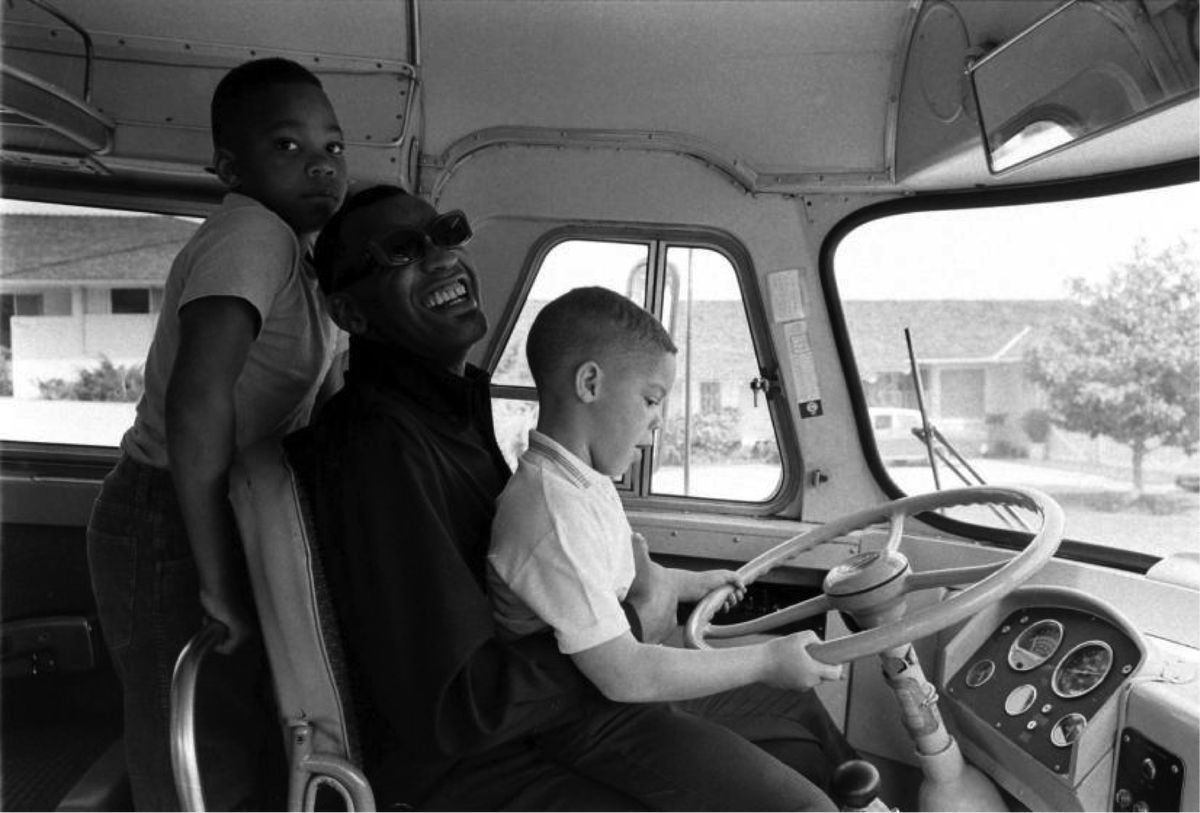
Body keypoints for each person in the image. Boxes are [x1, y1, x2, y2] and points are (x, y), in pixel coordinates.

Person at [296, 184, 857, 811]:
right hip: (486, 757)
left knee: (796, 707)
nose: (442, 257)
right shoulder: (377, 446)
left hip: (557, 705)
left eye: (447, 234)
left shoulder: (454, 412)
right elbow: (460, 707)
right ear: (350, 315)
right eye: (402, 251)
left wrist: (663, 590)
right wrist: (639, 619)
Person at [85, 57, 348, 811]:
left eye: (331, 146)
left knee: (224, 733)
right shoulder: (251, 236)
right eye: (287, 147)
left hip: (207, 506)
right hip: (166, 512)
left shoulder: (298, 255)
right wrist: (217, 578)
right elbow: (199, 405)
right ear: (230, 166)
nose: (321, 165)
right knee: (191, 750)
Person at [486, 286, 844, 811]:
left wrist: (687, 583)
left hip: (613, 692)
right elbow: (625, 673)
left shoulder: (584, 480)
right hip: (587, 717)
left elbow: (610, 577)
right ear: (590, 383)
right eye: (651, 400)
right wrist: (766, 658)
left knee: (799, 705)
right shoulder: (550, 514)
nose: (658, 421)